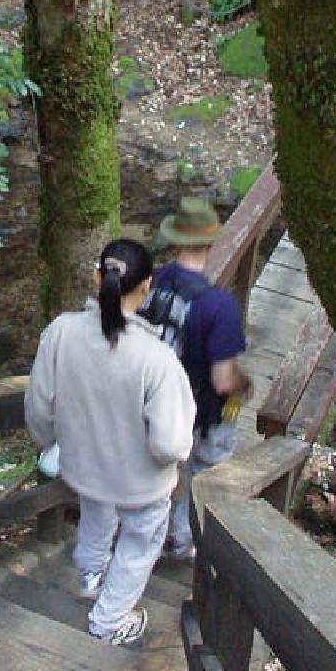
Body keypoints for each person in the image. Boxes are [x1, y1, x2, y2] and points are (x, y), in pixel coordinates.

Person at [25, 239, 196, 647]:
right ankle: (109, 620)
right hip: (140, 482)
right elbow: (170, 444)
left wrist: (50, 443)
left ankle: (90, 574)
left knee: (96, 514)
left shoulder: (60, 333)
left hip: (85, 466)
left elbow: (39, 409)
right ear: (147, 286)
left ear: (97, 276)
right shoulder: (157, 360)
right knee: (139, 543)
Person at [139, 196, 250, 560]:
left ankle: (145, 532)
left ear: (174, 239)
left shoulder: (152, 281)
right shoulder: (219, 306)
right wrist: (243, 385)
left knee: (156, 467)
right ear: (211, 242)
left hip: (151, 402)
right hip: (198, 411)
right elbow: (222, 381)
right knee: (205, 470)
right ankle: (184, 538)